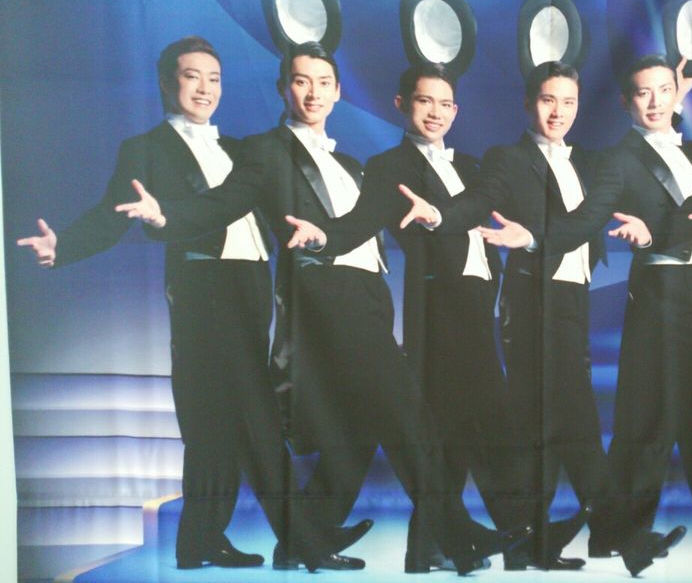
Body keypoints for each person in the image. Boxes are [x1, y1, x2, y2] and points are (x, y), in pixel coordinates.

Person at [114, 41, 524, 574]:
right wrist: (166, 215)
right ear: (284, 88)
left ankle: (309, 531)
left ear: (337, 91)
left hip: (369, 297)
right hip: (324, 296)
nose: (313, 93)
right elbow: (224, 203)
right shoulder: (264, 150)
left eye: (324, 82)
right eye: (301, 81)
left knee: (361, 428)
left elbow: (364, 224)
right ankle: (456, 534)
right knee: (405, 415)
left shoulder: (351, 161)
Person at [16, 36, 356, 571]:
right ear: (165, 82)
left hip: (250, 286)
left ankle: (199, 541)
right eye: (191, 76)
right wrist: (64, 247)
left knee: (213, 423)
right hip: (204, 289)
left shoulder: (240, 148)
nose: (204, 88)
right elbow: (111, 216)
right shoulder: (144, 148)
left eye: (214, 79)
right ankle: (305, 543)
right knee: (259, 419)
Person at [282, 61, 588, 572]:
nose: (436, 113)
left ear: (456, 111)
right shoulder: (388, 166)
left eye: (446, 104)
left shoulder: (471, 165)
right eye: (425, 101)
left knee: (450, 433)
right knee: (489, 422)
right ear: (402, 104)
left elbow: (511, 211)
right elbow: (359, 223)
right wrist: (324, 238)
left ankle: (429, 548)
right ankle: (523, 536)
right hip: (440, 309)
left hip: (478, 302)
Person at [390, 60, 683, 577]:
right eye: (548, 100)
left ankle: (513, 544)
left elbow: (621, 191)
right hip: (531, 302)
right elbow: (476, 202)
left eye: (569, 102)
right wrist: (440, 216)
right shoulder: (506, 159)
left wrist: (674, 103)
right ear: (529, 104)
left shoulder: (590, 161)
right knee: (577, 422)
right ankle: (625, 538)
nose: (558, 112)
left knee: (537, 429)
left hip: (574, 296)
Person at [473, 55, 692, 572]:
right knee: (650, 423)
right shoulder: (617, 159)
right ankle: (635, 536)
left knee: (677, 419)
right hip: (655, 290)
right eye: (642, 93)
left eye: (664, 90)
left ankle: (613, 537)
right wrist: (535, 237)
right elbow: (587, 219)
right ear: (626, 102)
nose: (654, 102)